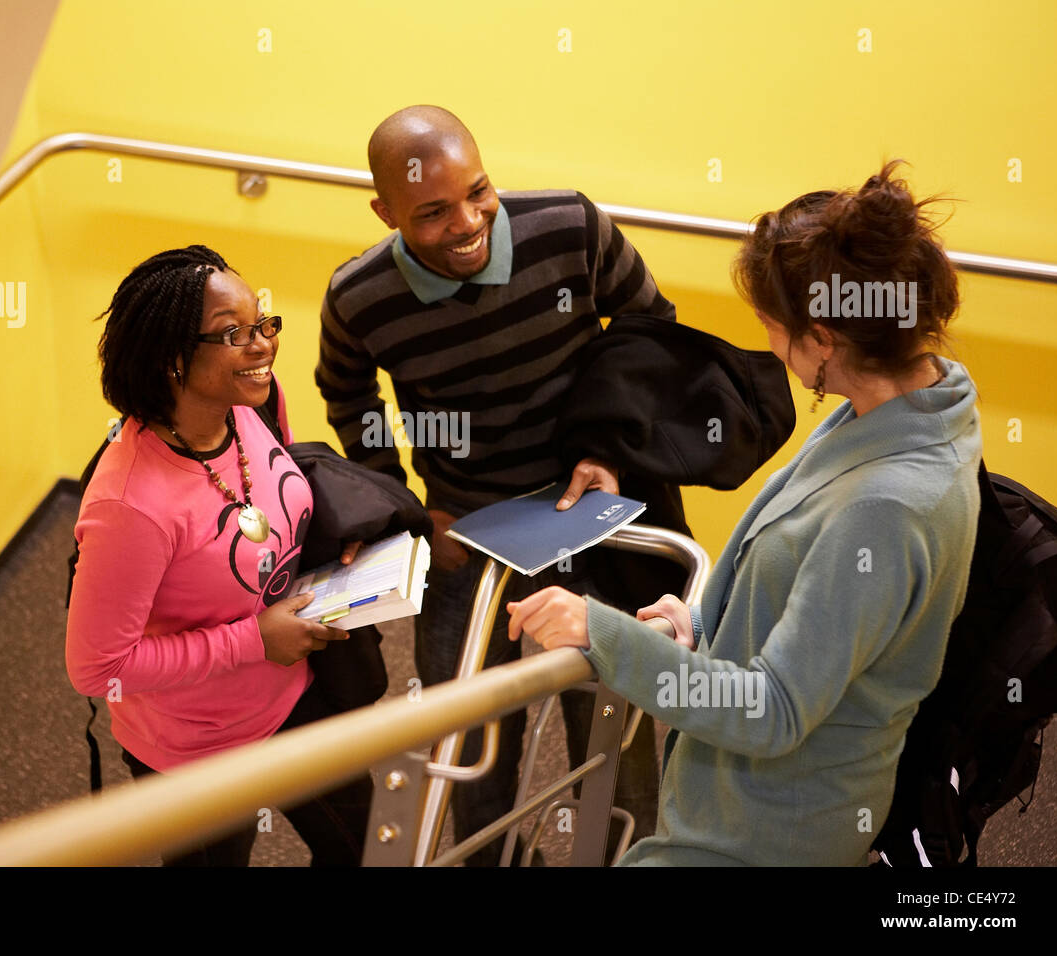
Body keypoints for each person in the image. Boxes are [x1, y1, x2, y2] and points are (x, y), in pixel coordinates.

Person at [506, 161, 983, 866]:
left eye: (772, 329)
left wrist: (603, 633)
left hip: (768, 832)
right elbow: (802, 581)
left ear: (823, 338)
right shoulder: (911, 403)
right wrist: (698, 623)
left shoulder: (888, 505)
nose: (770, 348)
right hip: (738, 799)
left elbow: (776, 710)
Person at [316, 105, 681, 864]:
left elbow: (653, 333)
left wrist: (606, 445)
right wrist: (408, 515)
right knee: (466, 743)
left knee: (615, 738)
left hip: (593, 515)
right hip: (467, 533)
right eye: (433, 211)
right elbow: (349, 398)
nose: (468, 221)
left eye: (478, 191)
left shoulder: (571, 228)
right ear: (384, 213)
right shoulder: (359, 296)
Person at [66, 244, 372, 866]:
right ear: (171, 360)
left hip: (293, 695)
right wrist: (253, 642)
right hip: (194, 747)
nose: (262, 346)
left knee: (363, 845)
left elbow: (271, 493)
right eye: (232, 334)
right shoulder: (131, 505)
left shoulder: (252, 403)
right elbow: (98, 669)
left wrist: (331, 539)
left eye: (263, 322)